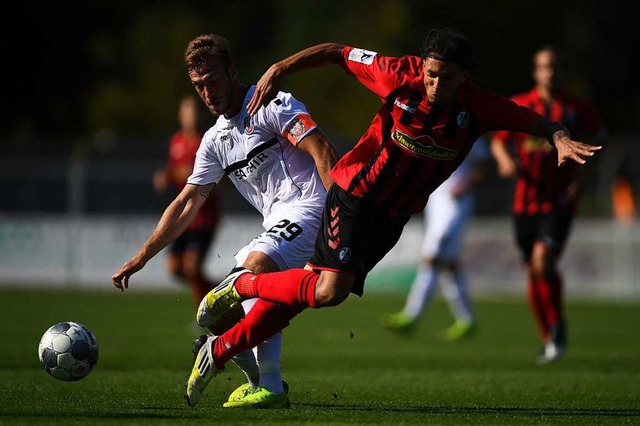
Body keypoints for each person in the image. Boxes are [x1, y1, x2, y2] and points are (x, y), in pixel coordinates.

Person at [182, 27, 601, 402]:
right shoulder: (398, 74)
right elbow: (335, 51)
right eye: (431, 74)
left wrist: (559, 137)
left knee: (307, 294)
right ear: (423, 66)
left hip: (391, 220)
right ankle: (244, 286)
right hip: (352, 194)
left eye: (447, 78)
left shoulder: (478, 106)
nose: (435, 85)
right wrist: (280, 67)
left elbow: (533, 120)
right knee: (329, 291)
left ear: (464, 76)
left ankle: (219, 348)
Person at [111, 34, 339, 408]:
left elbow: (322, 150)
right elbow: (186, 203)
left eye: (212, 80)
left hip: (311, 208)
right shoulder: (215, 140)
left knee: (254, 268)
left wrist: (339, 217)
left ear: (232, 72)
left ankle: (267, 384)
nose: (207, 92)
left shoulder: (272, 103)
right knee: (214, 313)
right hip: (276, 223)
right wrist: (142, 256)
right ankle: (263, 383)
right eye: (198, 85)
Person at [490, 45, 606, 364]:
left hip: (559, 201)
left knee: (542, 262)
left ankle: (556, 326)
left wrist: (581, 178)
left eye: (554, 67)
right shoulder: (522, 105)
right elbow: (499, 140)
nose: (549, 73)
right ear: (535, 72)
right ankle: (548, 335)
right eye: (544, 67)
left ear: (561, 72)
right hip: (524, 201)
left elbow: (599, 142)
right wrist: (504, 161)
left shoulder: (576, 109)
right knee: (534, 270)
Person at [381, 136, 491, 340]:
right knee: (449, 263)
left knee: (433, 256)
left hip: (456, 203)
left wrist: (465, 184)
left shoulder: (471, 128)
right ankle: (466, 319)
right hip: (436, 201)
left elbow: (484, 166)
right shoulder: (432, 128)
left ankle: (411, 315)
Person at [152, 94, 223, 310]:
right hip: (182, 216)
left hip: (203, 215)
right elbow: (175, 170)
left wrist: (178, 174)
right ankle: (218, 292)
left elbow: (213, 177)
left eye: (194, 111)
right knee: (175, 268)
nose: (191, 116)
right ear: (180, 115)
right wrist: (165, 177)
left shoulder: (207, 140)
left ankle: (206, 313)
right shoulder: (177, 141)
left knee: (192, 267)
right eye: (187, 111)